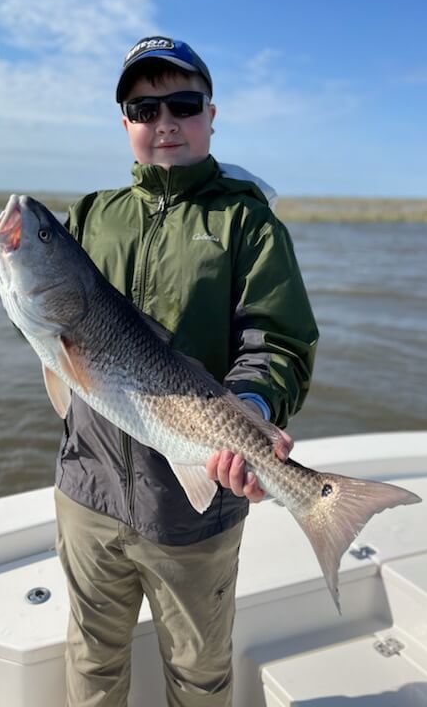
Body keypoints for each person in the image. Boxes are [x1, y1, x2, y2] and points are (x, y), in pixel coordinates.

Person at [54, 36, 319, 707]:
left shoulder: (247, 224)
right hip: (86, 492)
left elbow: (277, 343)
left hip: (195, 510)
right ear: (125, 124)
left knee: (200, 675)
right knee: (91, 663)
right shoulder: (90, 215)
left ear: (210, 114)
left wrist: (253, 411)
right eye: (143, 109)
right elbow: (54, 322)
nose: (164, 121)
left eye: (182, 103)